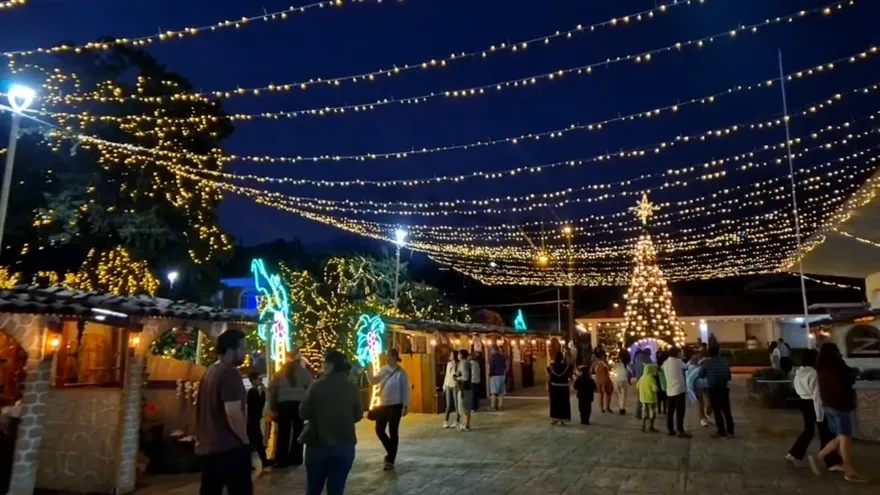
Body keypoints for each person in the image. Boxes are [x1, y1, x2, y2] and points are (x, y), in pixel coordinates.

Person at [196, 330, 252, 495]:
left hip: (210, 448)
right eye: (242, 348)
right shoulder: (229, 373)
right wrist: (245, 439)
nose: (245, 353)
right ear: (230, 350)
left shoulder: (210, 372)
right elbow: (233, 412)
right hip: (230, 448)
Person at [299, 350, 363, 495]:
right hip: (344, 444)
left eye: (324, 363)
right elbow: (358, 415)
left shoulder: (316, 386)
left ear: (330, 366)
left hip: (318, 444)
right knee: (336, 489)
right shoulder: (352, 388)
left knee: (313, 489)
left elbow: (303, 413)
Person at [808, 343, 868, 483]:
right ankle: (849, 470)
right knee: (845, 437)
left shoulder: (821, 367)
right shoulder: (837, 366)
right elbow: (850, 376)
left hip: (828, 406)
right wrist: (841, 360)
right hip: (840, 406)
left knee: (841, 437)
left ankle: (821, 456)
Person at [786, 349, 842, 470]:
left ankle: (794, 453)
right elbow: (817, 396)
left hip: (803, 401)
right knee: (825, 432)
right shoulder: (814, 373)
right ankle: (830, 461)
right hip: (813, 403)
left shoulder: (799, 372)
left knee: (809, 430)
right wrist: (820, 416)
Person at [366, 348, 410, 470]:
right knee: (379, 429)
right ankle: (391, 450)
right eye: (386, 356)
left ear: (395, 358)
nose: (387, 358)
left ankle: (390, 459)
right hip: (384, 404)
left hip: (396, 405)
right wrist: (368, 372)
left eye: (389, 356)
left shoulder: (401, 373)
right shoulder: (384, 370)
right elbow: (374, 381)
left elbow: (405, 390)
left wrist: (405, 405)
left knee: (393, 431)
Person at [270, 351, 312, 468]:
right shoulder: (304, 373)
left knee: (283, 432)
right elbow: (310, 389)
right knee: (298, 431)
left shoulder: (279, 373)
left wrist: (273, 407)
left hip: (283, 404)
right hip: (298, 404)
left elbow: (273, 391)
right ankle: (296, 457)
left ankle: (282, 460)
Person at [700, 345, 734, 438]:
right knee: (726, 410)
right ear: (719, 352)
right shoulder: (724, 362)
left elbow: (701, 374)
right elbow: (729, 376)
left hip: (713, 389)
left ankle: (721, 431)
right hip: (724, 388)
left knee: (717, 410)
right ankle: (730, 431)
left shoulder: (707, 363)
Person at [246, 372, 271, 470]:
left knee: (256, 442)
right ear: (253, 381)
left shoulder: (254, 391)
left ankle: (262, 461)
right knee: (256, 442)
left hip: (253, 421)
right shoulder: (253, 392)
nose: (261, 381)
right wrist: (263, 394)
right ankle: (262, 461)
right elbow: (258, 406)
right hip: (253, 421)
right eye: (259, 379)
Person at [663, 347, 690, 437]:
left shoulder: (665, 363)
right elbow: (686, 367)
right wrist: (684, 358)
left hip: (669, 390)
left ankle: (670, 429)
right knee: (680, 411)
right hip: (679, 389)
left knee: (670, 411)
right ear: (677, 354)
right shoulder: (678, 361)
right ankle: (680, 430)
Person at [685, 351, 712, 427]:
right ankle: (702, 418)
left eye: (699, 355)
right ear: (692, 356)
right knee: (700, 402)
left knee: (710, 401)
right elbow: (688, 375)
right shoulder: (688, 364)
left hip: (707, 384)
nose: (698, 356)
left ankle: (707, 414)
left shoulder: (703, 362)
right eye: (696, 355)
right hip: (697, 385)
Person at [547, 352, 572, 425]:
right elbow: (571, 369)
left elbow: (549, 376)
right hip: (564, 387)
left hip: (554, 387)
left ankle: (555, 418)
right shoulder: (566, 366)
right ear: (562, 358)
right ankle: (563, 419)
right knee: (563, 403)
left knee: (555, 403)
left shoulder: (552, 366)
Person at [637, 364, 659, 433]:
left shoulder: (641, 378)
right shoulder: (651, 379)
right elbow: (655, 389)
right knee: (652, 413)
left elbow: (637, 386)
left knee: (644, 412)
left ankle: (643, 426)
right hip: (651, 399)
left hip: (643, 398)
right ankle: (651, 427)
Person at [442, 349, 460, 428]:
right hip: (448, 384)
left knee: (456, 404)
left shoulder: (458, 364)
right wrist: (444, 385)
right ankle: (446, 421)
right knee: (448, 404)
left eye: (452, 354)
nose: (451, 356)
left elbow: (457, 375)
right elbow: (447, 375)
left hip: (455, 385)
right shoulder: (449, 364)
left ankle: (457, 421)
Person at [456, 349, 473, 431]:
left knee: (463, 407)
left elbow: (465, 377)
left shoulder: (463, 363)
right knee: (467, 407)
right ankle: (467, 424)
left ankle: (465, 424)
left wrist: (457, 378)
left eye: (458, 354)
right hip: (468, 388)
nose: (457, 355)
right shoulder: (468, 363)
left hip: (463, 388)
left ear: (461, 355)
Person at [632, 348, 651, 419]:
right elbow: (650, 368)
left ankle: (638, 413)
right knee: (648, 397)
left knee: (640, 397)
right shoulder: (646, 359)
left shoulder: (637, 359)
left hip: (639, 379)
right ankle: (647, 414)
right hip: (646, 379)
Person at [488, 345, 507, 411]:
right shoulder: (502, 356)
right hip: (502, 375)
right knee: (501, 392)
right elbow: (505, 367)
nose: (490, 351)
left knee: (493, 392)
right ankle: (500, 405)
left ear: (493, 349)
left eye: (491, 350)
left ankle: (493, 406)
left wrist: (490, 374)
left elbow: (492, 367)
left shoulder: (492, 357)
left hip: (495, 375)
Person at [614, 349, 631, 415]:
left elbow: (615, 371)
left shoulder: (617, 365)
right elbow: (629, 373)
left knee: (619, 395)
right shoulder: (627, 366)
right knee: (623, 396)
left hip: (617, 381)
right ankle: (622, 408)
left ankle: (620, 407)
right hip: (624, 381)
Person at [656, 350, 668, 416]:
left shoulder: (657, 371)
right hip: (665, 386)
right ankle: (664, 410)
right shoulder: (665, 369)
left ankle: (659, 410)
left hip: (658, 386)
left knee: (659, 399)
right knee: (665, 399)